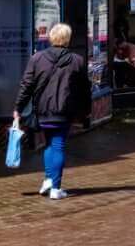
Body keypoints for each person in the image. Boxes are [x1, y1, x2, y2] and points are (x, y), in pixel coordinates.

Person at [16, 23, 90, 199]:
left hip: (42, 110)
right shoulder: (77, 60)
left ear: (51, 38)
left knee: (49, 144)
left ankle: (49, 180)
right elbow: (84, 89)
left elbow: (26, 85)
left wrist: (18, 107)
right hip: (64, 111)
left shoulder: (37, 58)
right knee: (57, 145)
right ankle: (56, 188)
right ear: (67, 39)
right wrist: (86, 110)